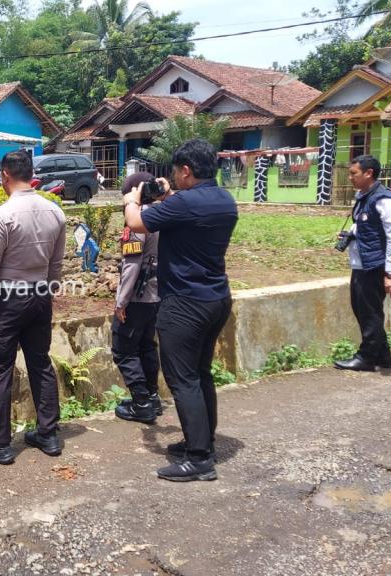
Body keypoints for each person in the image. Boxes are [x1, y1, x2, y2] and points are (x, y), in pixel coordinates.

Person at [122, 139, 238, 482]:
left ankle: (199, 459)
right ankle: (202, 440)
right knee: (201, 373)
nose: (173, 176)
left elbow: (138, 223)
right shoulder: (223, 200)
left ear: (186, 170)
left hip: (185, 303)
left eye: (175, 171)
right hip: (216, 297)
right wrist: (169, 195)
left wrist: (132, 200)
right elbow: (182, 212)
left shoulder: (185, 203)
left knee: (182, 378)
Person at [0, 150, 67, 465]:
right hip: (40, 296)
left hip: (7, 300)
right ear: (31, 174)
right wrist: (47, 293)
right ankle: (48, 434)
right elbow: (56, 263)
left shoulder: (1, 216)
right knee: (40, 363)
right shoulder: (55, 213)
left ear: (5, 177)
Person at [334, 155, 391, 372]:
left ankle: (366, 358)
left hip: (374, 265)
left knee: (369, 312)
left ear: (369, 173)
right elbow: (364, 226)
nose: (350, 177)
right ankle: (383, 357)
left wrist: (390, 274)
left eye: (353, 173)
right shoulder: (364, 197)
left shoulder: (384, 201)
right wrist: (349, 235)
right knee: (364, 310)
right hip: (361, 263)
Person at [112, 172, 164, 425]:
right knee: (146, 346)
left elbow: (132, 265)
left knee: (123, 350)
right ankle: (152, 398)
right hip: (157, 294)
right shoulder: (163, 214)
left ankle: (141, 403)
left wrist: (121, 302)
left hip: (138, 297)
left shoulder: (139, 220)